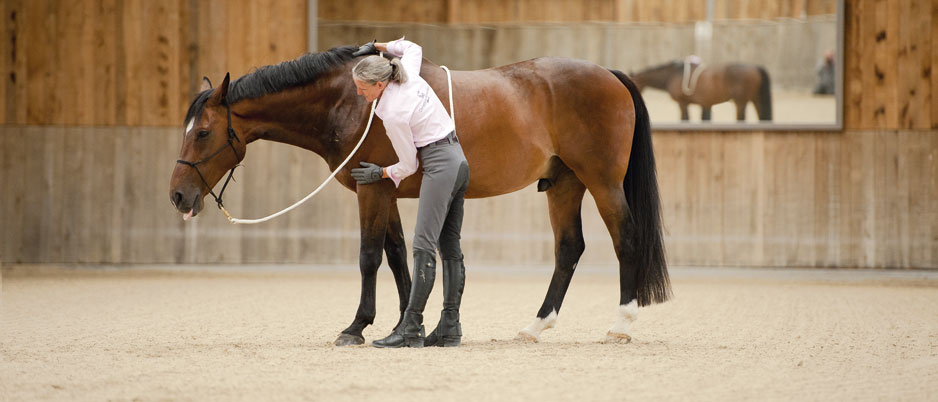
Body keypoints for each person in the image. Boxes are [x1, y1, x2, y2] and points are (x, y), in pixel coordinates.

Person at [349, 38, 470, 348]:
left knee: (423, 247)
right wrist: (379, 45)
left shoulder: (392, 112)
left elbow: (408, 164)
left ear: (379, 85)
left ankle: (411, 327)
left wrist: (380, 172)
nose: (360, 94)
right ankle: (450, 328)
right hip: (459, 160)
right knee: (450, 247)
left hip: (439, 166)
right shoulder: (408, 73)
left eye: (363, 89)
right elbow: (413, 47)